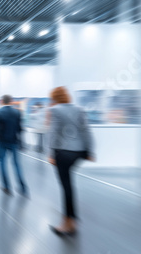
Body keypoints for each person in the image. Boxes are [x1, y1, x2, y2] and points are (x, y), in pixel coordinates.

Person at [48, 87, 94, 236]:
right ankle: (71, 220)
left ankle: (68, 223)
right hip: (79, 152)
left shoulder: (54, 110)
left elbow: (54, 132)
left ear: (54, 98)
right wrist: (89, 151)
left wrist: (51, 153)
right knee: (69, 185)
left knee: (66, 187)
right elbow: (86, 130)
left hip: (63, 152)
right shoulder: (79, 109)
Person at [0, 95, 27, 196]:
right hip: (14, 141)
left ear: (2, 101)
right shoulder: (17, 112)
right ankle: (22, 187)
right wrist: (20, 142)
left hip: (1, 142)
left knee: (2, 163)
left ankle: (6, 186)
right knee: (16, 164)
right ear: (11, 101)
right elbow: (20, 129)